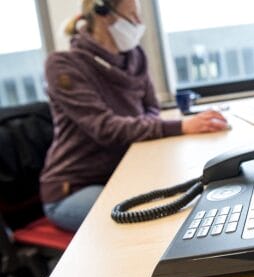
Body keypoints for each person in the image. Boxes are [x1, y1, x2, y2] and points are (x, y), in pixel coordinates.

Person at [40, 0, 228, 232]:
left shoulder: (135, 56)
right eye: (132, 16)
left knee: (181, 204)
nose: (139, 24)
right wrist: (180, 126)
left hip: (120, 174)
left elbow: (150, 110)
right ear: (103, 13)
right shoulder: (63, 65)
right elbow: (105, 127)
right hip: (75, 187)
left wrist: (153, 124)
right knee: (138, 222)